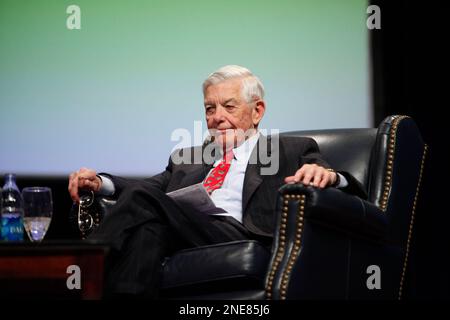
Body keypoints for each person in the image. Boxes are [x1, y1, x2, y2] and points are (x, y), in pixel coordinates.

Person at [68, 65, 366, 298]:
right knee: (150, 228)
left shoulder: (290, 150)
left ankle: (83, 262)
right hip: (188, 230)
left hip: (244, 232)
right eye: (210, 108)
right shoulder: (187, 158)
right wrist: (102, 184)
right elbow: (149, 188)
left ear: (257, 111)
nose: (217, 117)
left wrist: (331, 177)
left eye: (229, 106)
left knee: (146, 202)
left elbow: (345, 184)